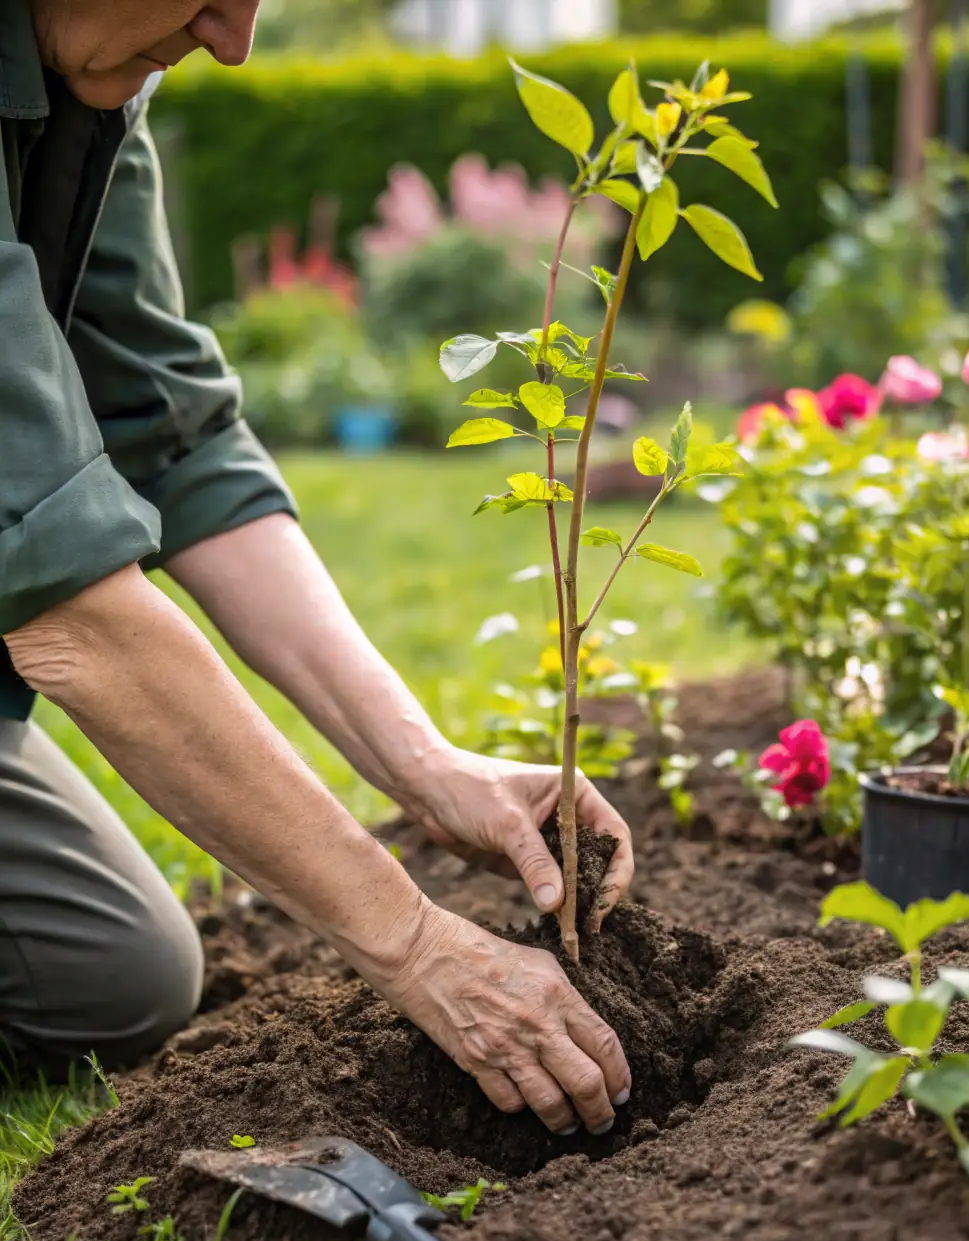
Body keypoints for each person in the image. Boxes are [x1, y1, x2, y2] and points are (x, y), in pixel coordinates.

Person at [0, 0, 635, 1138]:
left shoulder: (87, 78)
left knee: (113, 972)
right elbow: (68, 605)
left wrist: (426, 764)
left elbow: (172, 433)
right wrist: (413, 941)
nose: (232, 42)